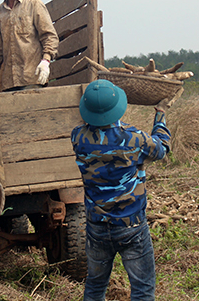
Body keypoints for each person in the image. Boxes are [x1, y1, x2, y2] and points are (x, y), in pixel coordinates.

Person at [71, 79, 181, 301]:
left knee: (95, 286)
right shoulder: (133, 138)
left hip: (97, 226)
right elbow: (162, 149)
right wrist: (160, 113)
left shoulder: (78, 137)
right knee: (142, 289)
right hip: (131, 226)